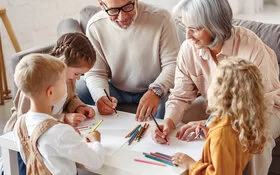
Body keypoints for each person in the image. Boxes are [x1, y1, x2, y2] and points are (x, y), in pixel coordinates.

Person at [152, 0, 280, 174]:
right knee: (175, 120)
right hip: (217, 107)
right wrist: (168, 122)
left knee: (256, 137)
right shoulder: (188, 48)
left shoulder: (251, 46)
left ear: (216, 25)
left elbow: (261, 103)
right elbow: (181, 96)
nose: (188, 36)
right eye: (185, 27)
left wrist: (213, 122)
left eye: (195, 29)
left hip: (263, 109)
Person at [3, 32, 97, 175]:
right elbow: (28, 118)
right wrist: (63, 118)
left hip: (49, 134)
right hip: (27, 139)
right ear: (63, 63)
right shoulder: (37, 80)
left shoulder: (67, 78)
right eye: (77, 73)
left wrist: (78, 107)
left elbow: (71, 97)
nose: (77, 78)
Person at [76, 0, 180, 121]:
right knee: (79, 88)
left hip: (154, 89)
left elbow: (173, 64)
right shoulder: (95, 25)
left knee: (169, 105)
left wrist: (156, 91)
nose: (122, 17)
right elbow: (96, 72)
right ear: (102, 5)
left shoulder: (161, 18)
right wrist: (101, 97)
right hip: (115, 89)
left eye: (128, 7)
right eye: (114, 11)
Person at [172, 58, 267, 174]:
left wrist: (190, 164)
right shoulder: (240, 122)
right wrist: (211, 138)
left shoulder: (222, 133)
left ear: (222, 92)